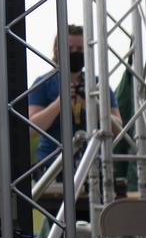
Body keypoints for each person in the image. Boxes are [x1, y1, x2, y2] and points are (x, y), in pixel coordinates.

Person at [28, 25, 122, 175]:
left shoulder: (98, 84)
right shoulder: (43, 83)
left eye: (79, 49)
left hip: (92, 167)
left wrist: (94, 107)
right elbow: (30, 128)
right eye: (69, 49)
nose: (74, 53)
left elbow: (118, 129)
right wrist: (59, 104)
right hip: (51, 169)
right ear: (58, 51)